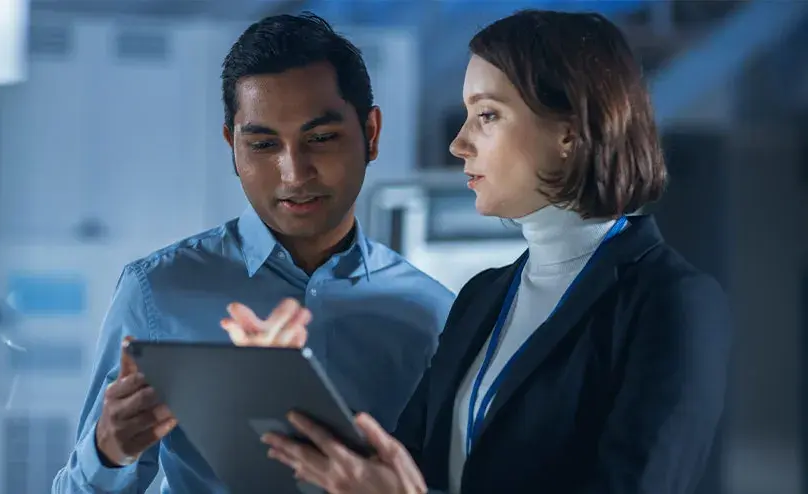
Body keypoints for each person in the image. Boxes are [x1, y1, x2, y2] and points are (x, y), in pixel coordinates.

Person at [228, 9, 732, 494]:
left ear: (569, 133)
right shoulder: (483, 297)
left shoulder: (671, 302)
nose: (459, 143)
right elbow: (397, 466)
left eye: (487, 115)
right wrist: (284, 386)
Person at [51, 12, 455, 494]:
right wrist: (108, 451)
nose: (293, 172)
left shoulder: (435, 316)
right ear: (232, 147)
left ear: (370, 133)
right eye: (263, 144)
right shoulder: (156, 292)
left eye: (321, 138)